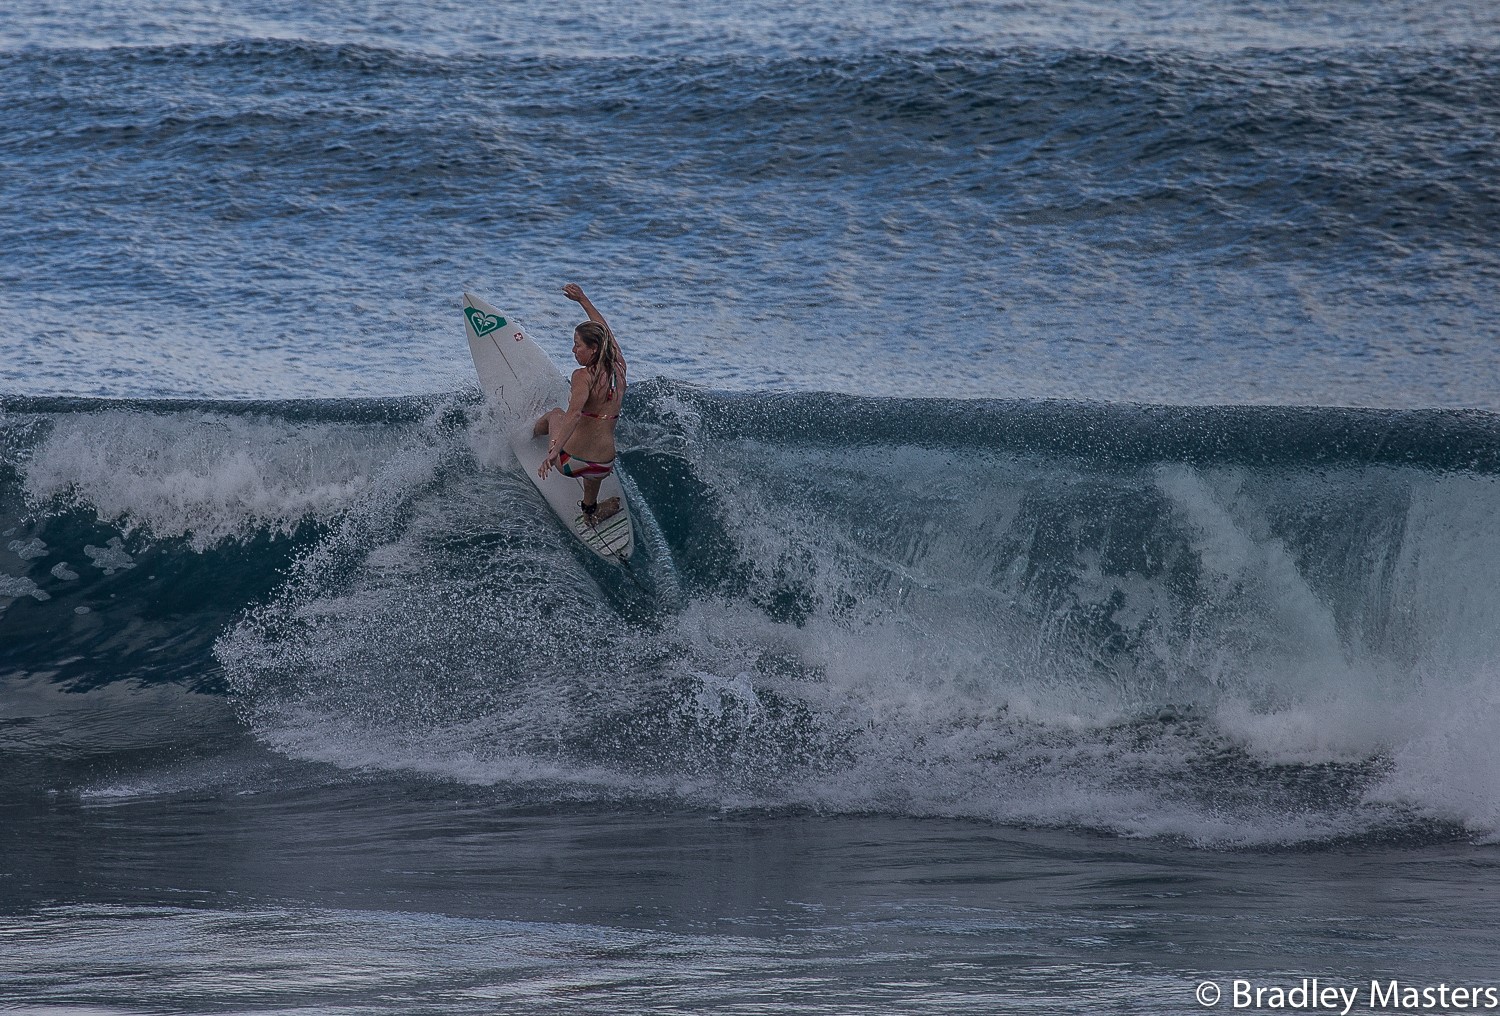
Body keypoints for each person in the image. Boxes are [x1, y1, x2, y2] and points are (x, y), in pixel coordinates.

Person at [533, 283, 627, 526]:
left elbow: (573, 415)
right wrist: (583, 300)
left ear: (593, 349)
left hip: (570, 463)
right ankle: (590, 512)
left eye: (578, 345)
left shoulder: (582, 376)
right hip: (603, 466)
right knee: (592, 476)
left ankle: (529, 433)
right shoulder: (619, 368)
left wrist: (553, 453)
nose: (573, 350)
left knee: (556, 414)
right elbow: (606, 333)